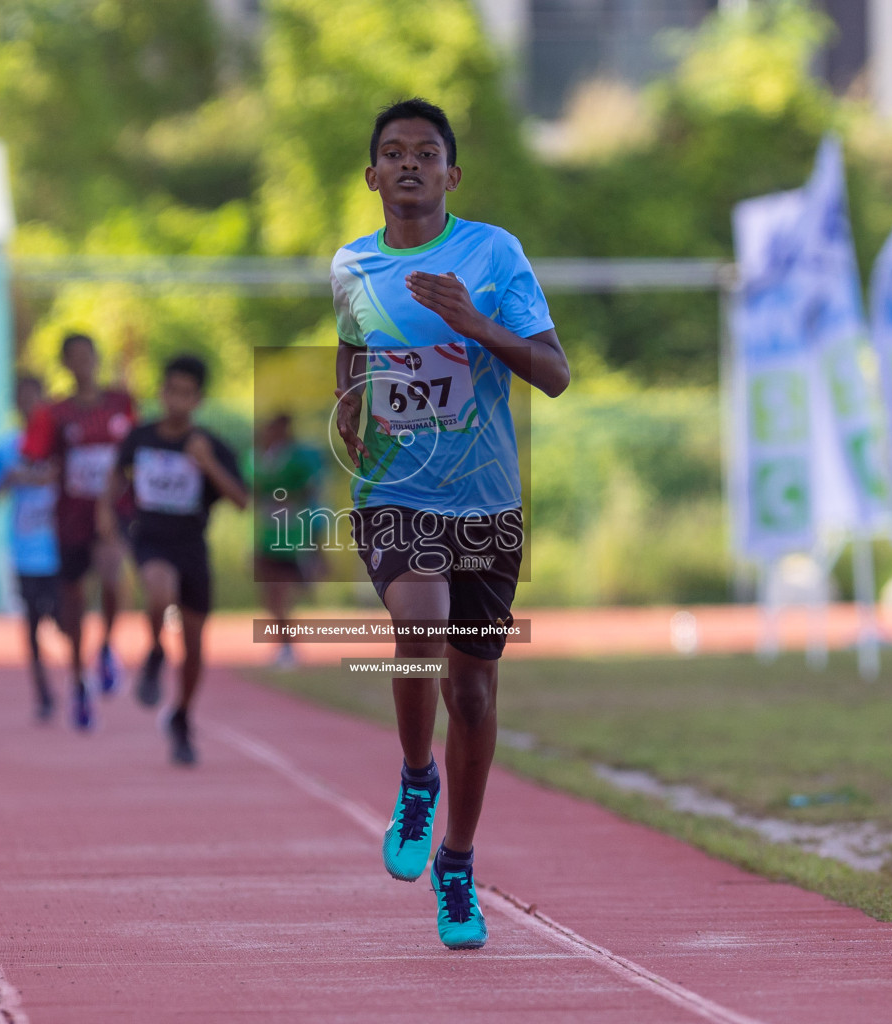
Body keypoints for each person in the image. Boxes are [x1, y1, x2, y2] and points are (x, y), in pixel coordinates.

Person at [330, 98, 569, 949]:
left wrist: (475, 322)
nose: (407, 165)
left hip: (487, 506)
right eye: (391, 153)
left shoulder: (494, 253)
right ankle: (415, 778)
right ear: (371, 176)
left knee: (471, 692)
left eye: (424, 154)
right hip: (395, 494)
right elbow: (353, 346)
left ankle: (457, 864)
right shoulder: (351, 265)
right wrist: (348, 395)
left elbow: (555, 373)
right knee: (419, 621)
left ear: (450, 174)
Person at [106, 354, 247, 764]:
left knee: (195, 645)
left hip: (192, 547)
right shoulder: (140, 438)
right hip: (150, 538)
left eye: (187, 394)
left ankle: (182, 716)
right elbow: (115, 477)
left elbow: (241, 500)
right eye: (171, 391)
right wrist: (107, 516)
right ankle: (154, 651)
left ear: (198, 399)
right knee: (157, 589)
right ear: (161, 392)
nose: (177, 401)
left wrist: (206, 465)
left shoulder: (211, 444)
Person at [22, 332, 137, 731]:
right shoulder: (55, 414)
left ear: (97, 359)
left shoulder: (121, 403)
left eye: (88, 355)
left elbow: (137, 452)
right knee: (72, 600)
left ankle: (105, 647)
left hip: (113, 512)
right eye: (74, 358)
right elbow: (38, 459)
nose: (82, 363)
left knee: (112, 573)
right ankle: (77, 681)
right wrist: (26, 474)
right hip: (70, 516)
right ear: (66, 364)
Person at [0, 374, 61, 722]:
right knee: (32, 624)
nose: (28, 404)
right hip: (26, 552)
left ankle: (82, 678)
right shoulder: (2, 450)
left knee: (66, 621)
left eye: (34, 397)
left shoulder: (60, 443)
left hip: (60, 548)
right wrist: (3, 483)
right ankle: (43, 694)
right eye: (21, 397)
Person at [245, 412, 325, 669]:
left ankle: (288, 646)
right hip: (268, 535)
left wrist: (316, 545)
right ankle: (284, 644)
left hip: (291, 537)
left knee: (279, 594)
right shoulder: (259, 459)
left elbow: (312, 493)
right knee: (269, 595)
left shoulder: (299, 459)